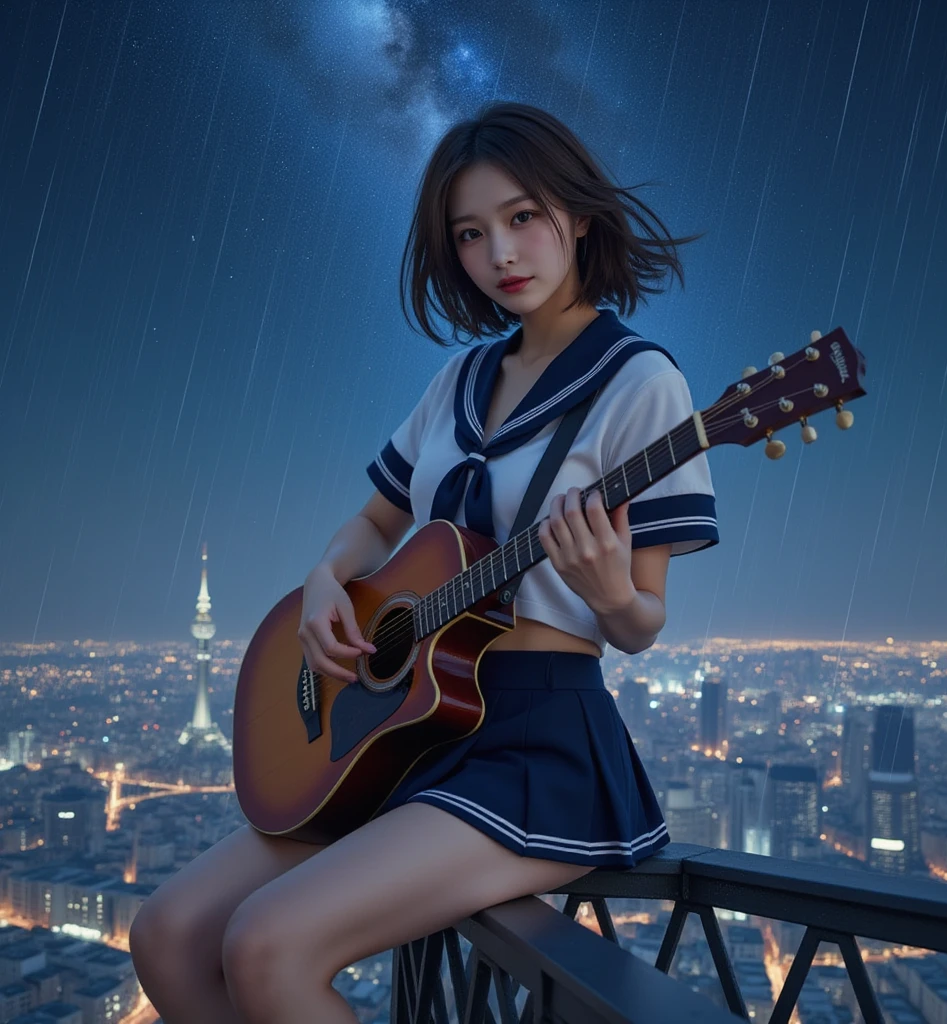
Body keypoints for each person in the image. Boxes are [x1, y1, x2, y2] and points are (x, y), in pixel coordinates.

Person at [129, 101, 718, 1024]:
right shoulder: (458, 380)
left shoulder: (643, 382)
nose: (501, 255)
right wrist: (329, 576)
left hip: (534, 745)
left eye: (524, 217)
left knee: (265, 945)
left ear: (579, 214)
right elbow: (373, 522)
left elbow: (644, 622)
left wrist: (611, 596)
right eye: (473, 234)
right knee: (165, 933)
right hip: (406, 733)